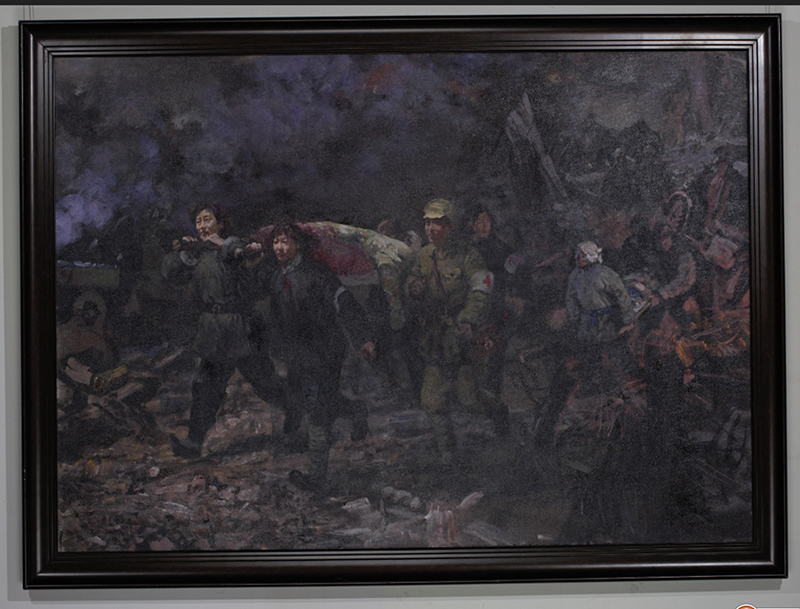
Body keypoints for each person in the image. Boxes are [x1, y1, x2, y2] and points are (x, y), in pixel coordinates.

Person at [257, 221, 376, 492]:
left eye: (285, 241)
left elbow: (345, 303)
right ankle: (356, 410)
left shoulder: (317, 274)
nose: (279, 247)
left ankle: (316, 478)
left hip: (324, 351)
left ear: (298, 244)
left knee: (317, 411)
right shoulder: (275, 277)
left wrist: (363, 338)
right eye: (276, 242)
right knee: (317, 402)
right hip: (297, 355)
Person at [163, 203, 283, 459]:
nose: (202, 226)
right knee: (205, 386)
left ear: (220, 223)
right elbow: (171, 271)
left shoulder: (232, 246)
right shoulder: (199, 253)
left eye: (207, 220)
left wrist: (237, 249)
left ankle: (303, 417)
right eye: (198, 221)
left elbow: (239, 254)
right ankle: (193, 443)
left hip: (239, 329)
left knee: (266, 383)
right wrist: (184, 253)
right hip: (214, 331)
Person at [405, 198, 509, 469]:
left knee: (470, 400)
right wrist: (413, 287)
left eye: (437, 223)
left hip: (462, 337)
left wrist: (468, 319)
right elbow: (412, 279)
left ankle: (499, 412)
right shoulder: (423, 256)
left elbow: (481, 289)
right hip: (436, 337)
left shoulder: (468, 255)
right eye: (427, 223)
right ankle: (448, 457)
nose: (430, 229)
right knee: (432, 401)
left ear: (450, 226)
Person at [467, 205, 514, 406]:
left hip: (498, 304)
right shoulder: (467, 250)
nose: (485, 225)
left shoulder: (501, 247)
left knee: (496, 348)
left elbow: (511, 273)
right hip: (475, 306)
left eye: (487, 220)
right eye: (480, 221)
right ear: (471, 225)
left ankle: (493, 392)